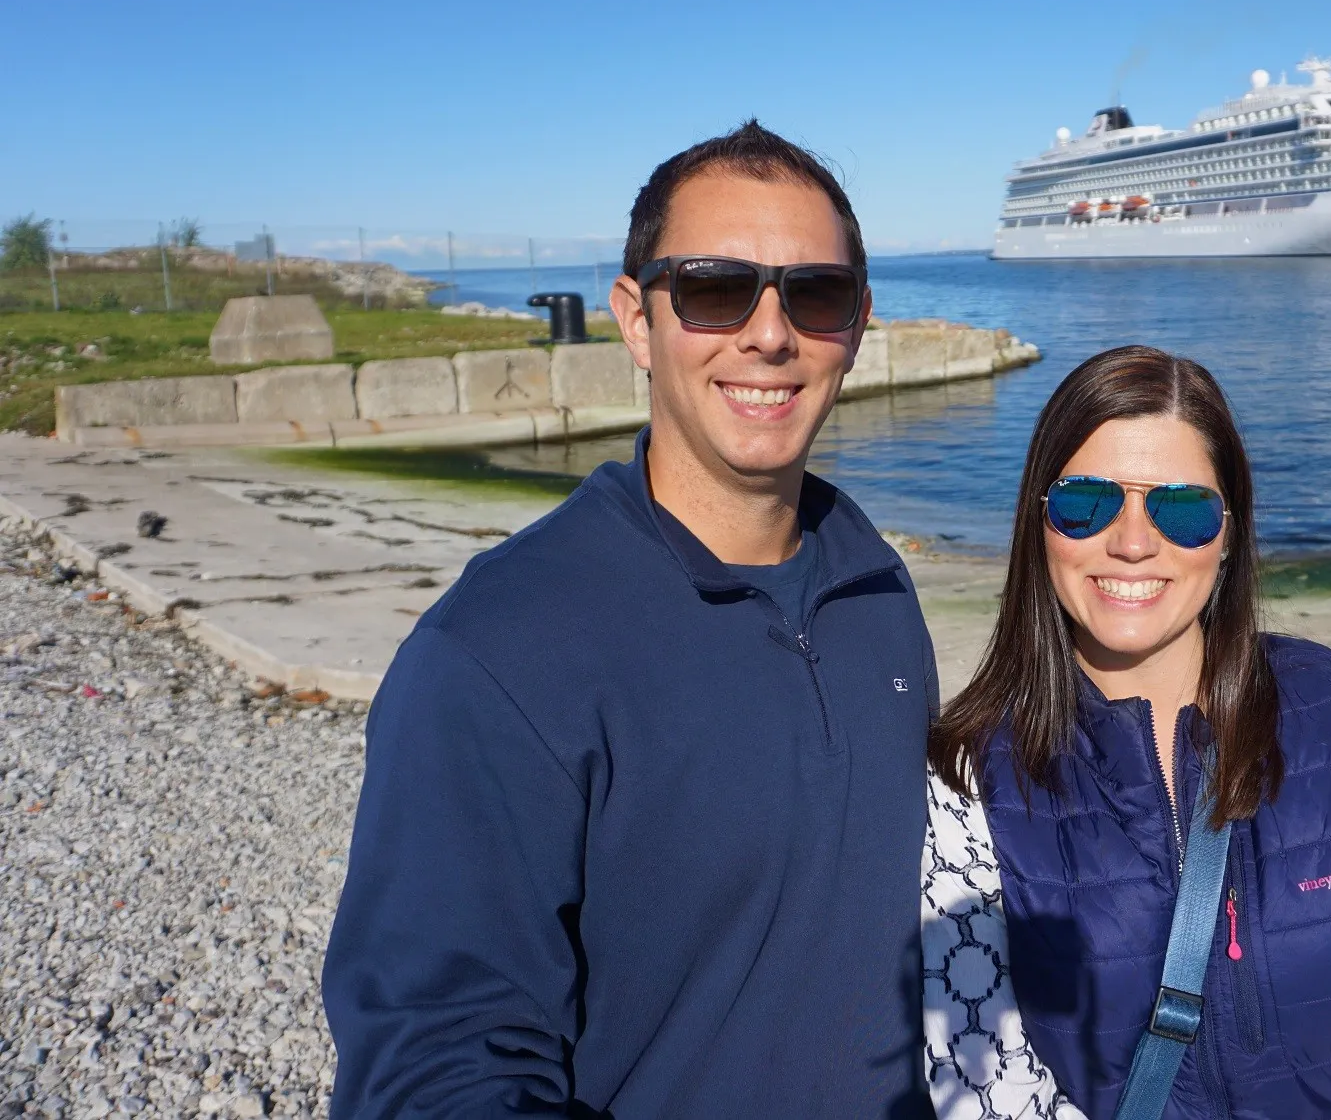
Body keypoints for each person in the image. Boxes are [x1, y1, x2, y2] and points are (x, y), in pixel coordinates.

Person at [323, 121, 940, 1118]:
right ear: (635, 319)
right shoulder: (497, 650)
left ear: (857, 324)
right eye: (711, 286)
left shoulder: (874, 583)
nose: (769, 333)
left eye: (812, 294)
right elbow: (437, 1064)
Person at [922, 346, 1331, 1120]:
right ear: (1038, 518)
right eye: (1086, 502)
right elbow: (984, 1078)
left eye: (1181, 509)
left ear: (1227, 532)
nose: (1132, 542)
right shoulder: (968, 776)